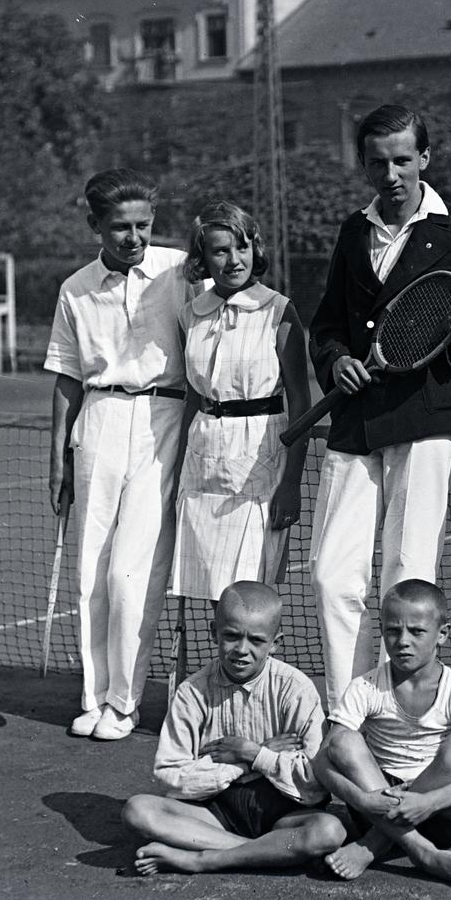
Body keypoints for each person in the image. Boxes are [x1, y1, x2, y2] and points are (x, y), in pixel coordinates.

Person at [308, 104, 451, 713]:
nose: (391, 174)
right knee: (330, 575)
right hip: (355, 420)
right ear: (364, 164)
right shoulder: (353, 231)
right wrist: (336, 359)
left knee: (406, 575)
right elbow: (328, 324)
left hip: (428, 417)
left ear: (424, 157)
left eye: (402, 160)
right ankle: (347, 711)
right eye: (378, 162)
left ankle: (396, 715)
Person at [46, 168, 194, 742]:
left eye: (144, 225)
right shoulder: (74, 289)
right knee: (92, 573)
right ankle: (95, 697)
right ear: (95, 226)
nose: (134, 238)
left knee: (132, 575)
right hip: (98, 420)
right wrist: (58, 457)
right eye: (120, 228)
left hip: (164, 419)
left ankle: (126, 703)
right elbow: (66, 378)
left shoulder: (182, 270)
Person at [124, 581, 346, 874]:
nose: (242, 650)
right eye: (231, 636)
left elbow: (314, 784)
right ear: (213, 632)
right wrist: (247, 762)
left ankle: (202, 859)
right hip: (215, 812)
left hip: (283, 812)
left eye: (256, 640)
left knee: (329, 831)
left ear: (275, 642)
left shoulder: (296, 689)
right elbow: (172, 778)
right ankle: (267, 851)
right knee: (138, 810)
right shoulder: (191, 692)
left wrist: (253, 754)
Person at [314, 579, 451, 889]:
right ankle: (424, 853)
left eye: (417, 631)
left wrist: (428, 802)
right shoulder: (365, 687)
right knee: (342, 741)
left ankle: (374, 844)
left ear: (442, 634)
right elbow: (321, 761)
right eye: (393, 630)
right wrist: (362, 799)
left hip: (441, 815)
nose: (403, 641)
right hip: (376, 805)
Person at [170, 202, 309, 602]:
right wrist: (178, 474)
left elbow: (301, 402)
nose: (234, 260)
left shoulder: (278, 311)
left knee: (250, 596)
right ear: (202, 258)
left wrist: (291, 484)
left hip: (260, 462)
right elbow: (193, 399)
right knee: (214, 596)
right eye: (220, 250)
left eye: (242, 247)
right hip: (202, 464)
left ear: (255, 249)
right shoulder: (190, 315)